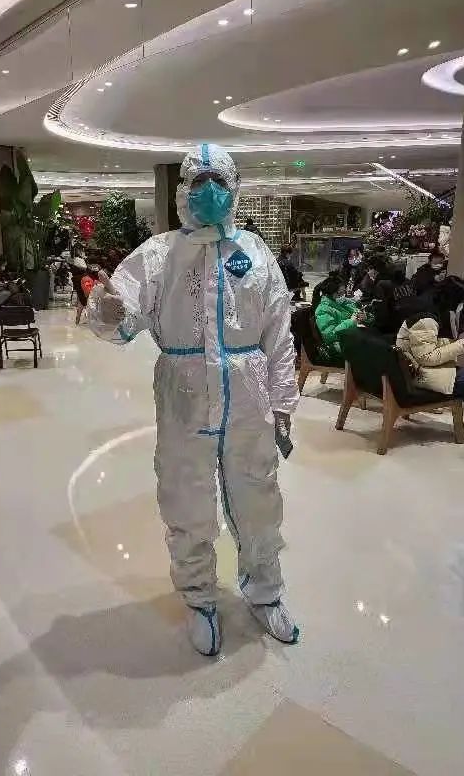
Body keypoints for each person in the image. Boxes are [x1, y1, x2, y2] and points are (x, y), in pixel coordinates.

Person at [89, 143, 300, 655]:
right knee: (187, 498)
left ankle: (265, 593)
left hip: (248, 397)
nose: (208, 190)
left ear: (234, 188)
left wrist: (283, 405)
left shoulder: (256, 254)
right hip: (184, 395)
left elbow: (279, 333)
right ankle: (200, 598)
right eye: (198, 181)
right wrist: (110, 310)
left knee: (258, 497)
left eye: (218, 181)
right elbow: (121, 314)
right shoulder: (157, 254)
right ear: (183, 190)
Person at [396, 313, 464, 406]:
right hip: (422, 375)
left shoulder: (430, 315)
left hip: (426, 370)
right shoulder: (426, 321)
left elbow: (431, 345)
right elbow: (426, 358)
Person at [314, 274, 367, 356]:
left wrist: (364, 316)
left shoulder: (342, 303)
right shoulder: (323, 309)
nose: (343, 295)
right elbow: (329, 335)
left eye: (344, 292)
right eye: (340, 293)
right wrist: (352, 321)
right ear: (331, 292)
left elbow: (356, 311)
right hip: (339, 344)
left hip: (352, 337)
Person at [70, 256, 89, 325]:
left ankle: (77, 322)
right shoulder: (85, 277)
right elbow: (87, 290)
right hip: (86, 296)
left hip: (81, 296)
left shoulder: (75, 277)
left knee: (79, 309)